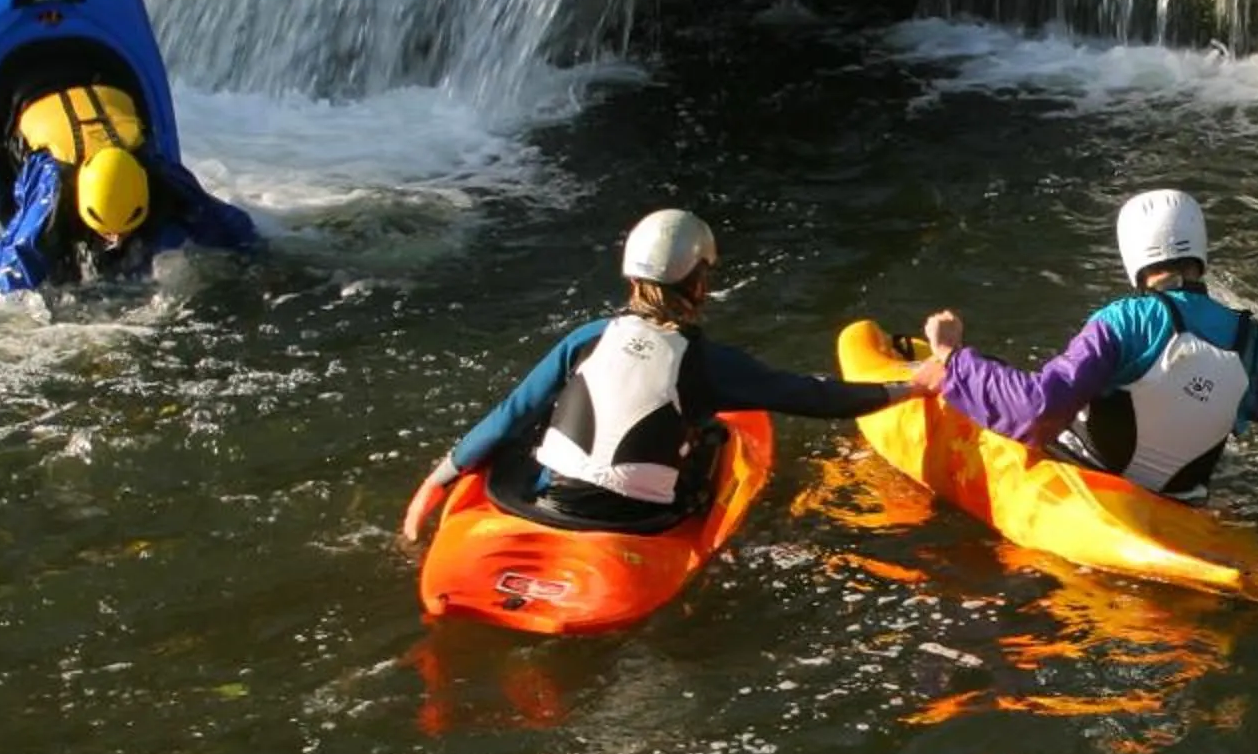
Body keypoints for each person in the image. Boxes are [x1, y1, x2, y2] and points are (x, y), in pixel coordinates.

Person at [400, 208, 935, 540]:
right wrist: (909, 386)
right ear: (698, 282)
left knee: (535, 421)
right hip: (639, 521)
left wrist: (436, 481)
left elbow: (510, 414)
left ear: (630, 274)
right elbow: (813, 397)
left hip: (546, 502)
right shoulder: (712, 364)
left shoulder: (586, 338)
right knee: (714, 435)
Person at [916, 188, 1258, 499]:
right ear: (1198, 250)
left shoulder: (1125, 320)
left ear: (1133, 252)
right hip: (1182, 504)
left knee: (995, 381)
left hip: (1088, 481)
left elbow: (1039, 411)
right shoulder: (1250, 339)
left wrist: (953, 358)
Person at [0, 78, 255, 292]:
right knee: (55, 261)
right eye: (109, 232)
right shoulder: (51, 187)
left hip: (105, 80)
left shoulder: (154, 170)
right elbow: (10, 267)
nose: (115, 240)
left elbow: (226, 222)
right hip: (24, 95)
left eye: (123, 230)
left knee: (170, 229)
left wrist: (253, 259)